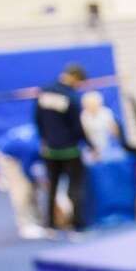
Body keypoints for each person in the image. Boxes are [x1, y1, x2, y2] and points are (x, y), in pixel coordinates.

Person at [34, 64, 94, 231]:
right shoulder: (71, 97)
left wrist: (44, 139)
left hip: (50, 150)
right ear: (74, 77)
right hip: (69, 150)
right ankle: (78, 225)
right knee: (75, 186)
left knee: (52, 187)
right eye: (79, 82)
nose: (78, 86)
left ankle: (50, 225)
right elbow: (77, 127)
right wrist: (90, 145)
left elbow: (37, 119)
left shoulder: (44, 92)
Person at [80, 91, 120, 155]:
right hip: (92, 146)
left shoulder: (106, 112)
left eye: (93, 103)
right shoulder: (84, 115)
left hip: (109, 144)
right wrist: (93, 148)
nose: (91, 105)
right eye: (88, 104)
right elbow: (85, 134)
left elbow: (115, 131)